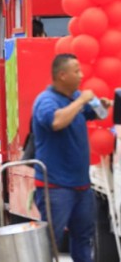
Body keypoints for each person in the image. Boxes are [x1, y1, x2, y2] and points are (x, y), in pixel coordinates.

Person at [32, 53, 111, 261]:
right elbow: (56, 122)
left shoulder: (75, 98)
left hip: (81, 185)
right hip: (55, 186)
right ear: (62, 75)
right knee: (51, 239)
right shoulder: (46, 101)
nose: (81, 75)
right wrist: (82, 100)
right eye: (77, 71)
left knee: (84, 238)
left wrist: (101, 105)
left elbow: (97, 114)